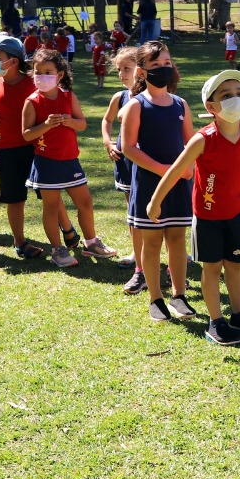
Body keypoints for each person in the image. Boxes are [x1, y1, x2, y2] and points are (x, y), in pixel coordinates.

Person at [147, 70, 240, 345]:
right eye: (227, 95)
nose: (235, 99)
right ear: (211, 107)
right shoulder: (203, 139)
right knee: (212, 268)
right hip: (208, 217)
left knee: (235, 266)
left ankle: (239, 315)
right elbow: (176, 170)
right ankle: (216, 322)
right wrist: (155, 201)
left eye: (239, 93)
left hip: (238, 212)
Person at [120, 40, 197, 322]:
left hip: (179, 185)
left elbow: (191, 144)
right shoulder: (136, 106)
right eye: (155, 65)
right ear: (141, 71)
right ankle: (156, 299)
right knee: (151, 243)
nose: (163, 69)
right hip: (149, 186)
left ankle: (179, 295)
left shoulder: (180, 104)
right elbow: (129, 147)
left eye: (166, 63)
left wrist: (189, 168)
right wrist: (164, 169)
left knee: (177, 240)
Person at [0, 34, 74, 259]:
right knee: (14, 198)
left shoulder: (35, 82)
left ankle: (68, 229)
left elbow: (59, 98)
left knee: (50, 193)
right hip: (7, 152)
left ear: (13, 61)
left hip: (39, 149)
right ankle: (20, 242)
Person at [21, 49, 116, 267]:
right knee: (51, 207)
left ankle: (91, 243)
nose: (41, 76)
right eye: (38, 72)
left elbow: (81, 124)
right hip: (46, 163)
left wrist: (68, 121)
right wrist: (46, 125)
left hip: (70, 160)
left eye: (48, 72)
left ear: (59, 75)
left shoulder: (68, 96)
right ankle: (58, 249)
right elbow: (26, 134)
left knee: (85, 202)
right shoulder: (32, 101)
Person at [102, 47, 147, 294]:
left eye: (126, 68)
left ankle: (175, 253)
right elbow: (106, 120)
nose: (122, 73)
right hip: (125, 161)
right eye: (119, 69)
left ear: (140, 70)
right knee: (132, 207)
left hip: (147, 161)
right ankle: (136, 252)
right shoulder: (119, 97)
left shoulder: (151, 96)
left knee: (156, 207)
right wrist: (108, 141)